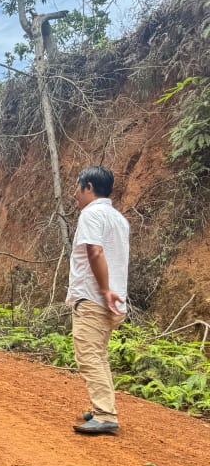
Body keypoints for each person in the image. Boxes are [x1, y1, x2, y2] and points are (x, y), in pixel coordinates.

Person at [67, 165, 130, 436]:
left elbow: (95, 251)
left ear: (89, 187)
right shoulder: (118, 219)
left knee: (89, 357)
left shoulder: (91, 214)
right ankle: (102, 407)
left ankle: (105, 414)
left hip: (94, 298)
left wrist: (103, 289)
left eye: (77, 186)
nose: (75, 193)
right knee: (99, 355)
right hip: (114, 299)